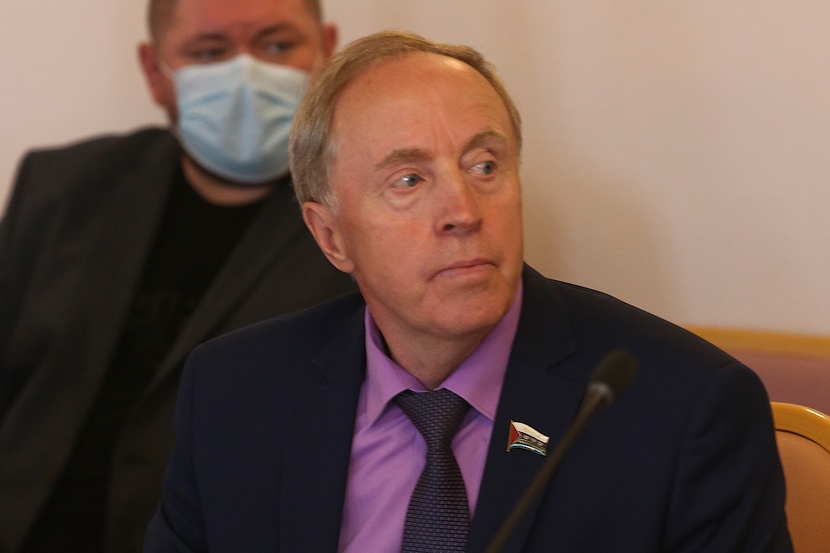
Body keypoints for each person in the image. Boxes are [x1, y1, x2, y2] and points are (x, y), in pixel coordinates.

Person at [144, 30, 792, 552]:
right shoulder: (235, 393)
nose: (463, 210)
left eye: (485, 166)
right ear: (332, 236)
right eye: (408, 180)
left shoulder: (682, 409)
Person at [0, 1, 355, 552]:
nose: (246, 73)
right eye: (209, 53)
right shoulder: (60, 188)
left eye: (277, 45)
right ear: (154, 70)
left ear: (327, 53)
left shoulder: (362, 226)